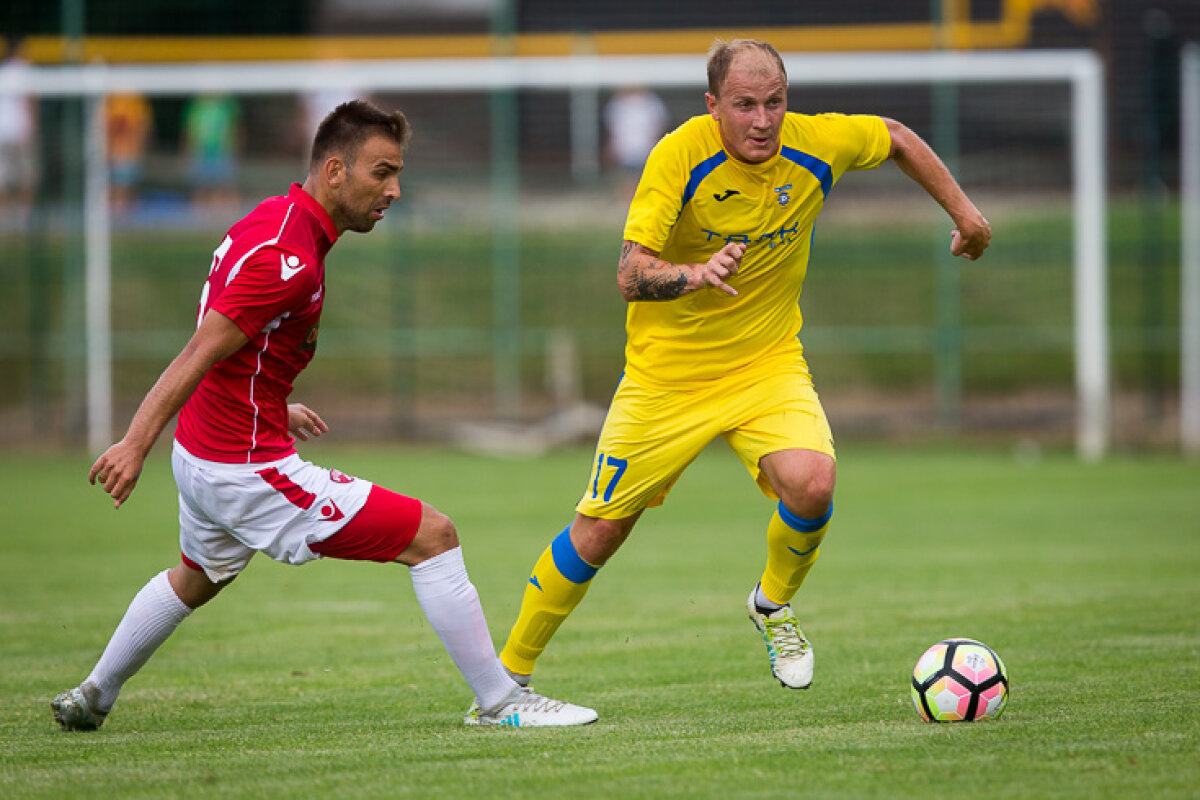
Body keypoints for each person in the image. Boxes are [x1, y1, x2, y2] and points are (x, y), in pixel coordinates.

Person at [51, 100, 596, 731]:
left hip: (203, 453)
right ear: (334, 171)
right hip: (243, 467)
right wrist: (132, 442)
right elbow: (200, 348)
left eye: (397, 173)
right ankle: (502, 702)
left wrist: (271, 397)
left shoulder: (276, 220)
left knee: (196, 578)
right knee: (433, 537)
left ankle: (93, 694)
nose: (393, 190)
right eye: (381, 172)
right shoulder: (289, 261)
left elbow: (234, 344)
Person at [495, 39, 991, 712]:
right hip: (666, 379)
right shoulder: (679, 154)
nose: (763, 120)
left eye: (775, 103)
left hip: (766, 364)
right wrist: (694, 275)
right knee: (602, 529)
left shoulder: (815, 145)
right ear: (714, 106)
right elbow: (630, 273)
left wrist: (964, 213)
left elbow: (897, 138)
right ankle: (504, 683)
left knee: (813, 484)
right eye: (745, 105)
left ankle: (773, 604)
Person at [603, 85, 669, 198]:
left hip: (645, 148)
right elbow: (612, 128)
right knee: (626, 178)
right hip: (624, 149)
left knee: (644, 180)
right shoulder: (617, 104)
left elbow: (659, 126)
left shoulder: (651, 102)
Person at [0, 37, 38, 226]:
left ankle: (5, 217)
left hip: (3, 131)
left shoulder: (3, 71)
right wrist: (32, 125)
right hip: (21, 129)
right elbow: (30, 100)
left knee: (4, 176)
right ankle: (23, 218)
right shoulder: (24, 70)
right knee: (26, 175)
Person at [182, 92, 241, 212]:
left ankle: (225, 214)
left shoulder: (227, 105)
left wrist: (235, 148)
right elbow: (189, 131)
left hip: (222, 150)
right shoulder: (196, 106)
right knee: (201, 185)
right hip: (201, 151)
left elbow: (236, 128)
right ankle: (200, 215)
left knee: (224, 185)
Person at [105, 92, 153, 214]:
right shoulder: (110, 101)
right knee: (112, 189)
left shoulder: (135, 101)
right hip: (112, 155)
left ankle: (125, 217)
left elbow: (142, 130)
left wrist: (138, 152)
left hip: (129, 155)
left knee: (126, 189)